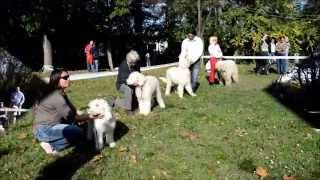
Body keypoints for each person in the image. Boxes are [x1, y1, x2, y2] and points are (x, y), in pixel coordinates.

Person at [33, 69, 98, 154]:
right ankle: (51, 145)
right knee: (77, 132)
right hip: (45, 129)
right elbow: (72, 117)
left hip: (54, 124)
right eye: (65, 77)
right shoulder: (55, 96)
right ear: (57, 80)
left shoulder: (61, 93)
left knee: (82, 128)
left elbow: (73, 111)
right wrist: (90, 116)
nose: (69, 79)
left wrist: (86, 115)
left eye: (68, 77)